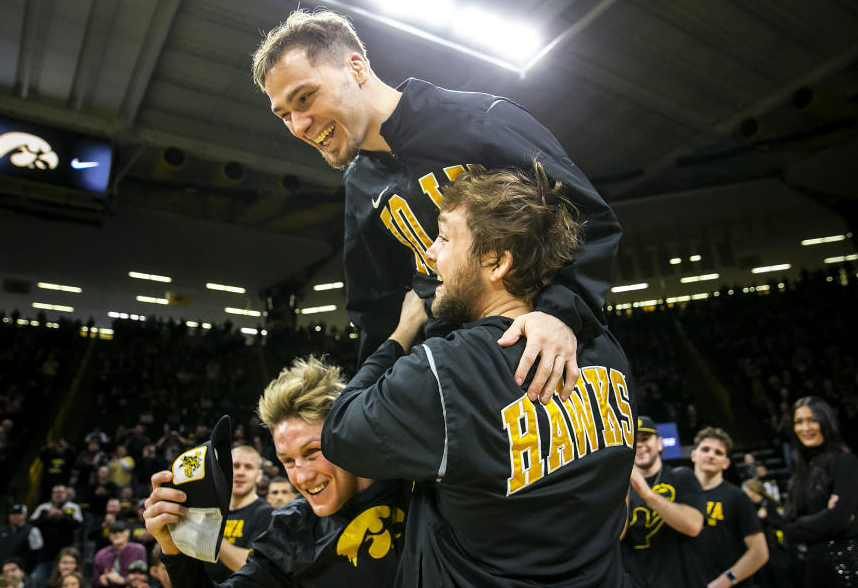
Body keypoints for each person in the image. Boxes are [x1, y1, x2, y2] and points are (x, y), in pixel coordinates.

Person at [252, 8, 622, 405]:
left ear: (356, 68)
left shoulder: (479, 119)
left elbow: (586, 215)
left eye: (305, 97)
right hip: (458, 380)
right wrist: (377, 397)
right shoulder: (359, 184)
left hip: (553, 358)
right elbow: (376, 310)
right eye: (284, 115)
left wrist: (560, 313)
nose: (297, 125)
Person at [321, 164, 635, 586]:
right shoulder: (606, 351)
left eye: (445, 237)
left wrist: (399, 336)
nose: (429, 253)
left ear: (496, 262)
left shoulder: (444, 370)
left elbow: (340, 431)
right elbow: (619, 514)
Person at [143, 357, 407, 587]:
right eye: (288, 461)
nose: (302, 477)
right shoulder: (290, 531)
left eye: (312, 452)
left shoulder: (414, 483)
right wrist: (174, 547)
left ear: (346, 437)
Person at [763, 396, 858, 587]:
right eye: (799, 422)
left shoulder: (845, 462)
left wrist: (803, 523)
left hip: (847, 567)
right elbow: (787, 529)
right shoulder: (800, 472)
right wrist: (827, 517)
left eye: (813, 420)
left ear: (826, 422)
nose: (805, 428)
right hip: (812, 569)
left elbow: (839, 518)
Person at [622, 416, 705, 588]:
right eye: (633, 440)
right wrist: (624, 486)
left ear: (660, 443)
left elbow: (694, 526)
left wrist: (647, 494)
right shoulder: (621, 487)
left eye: (645, 439)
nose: (639, 444)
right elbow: (617, 536)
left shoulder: (682, 476)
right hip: (635, 581)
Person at [690, 427, 768, 587]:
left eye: (718, 452)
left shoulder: (737, 497)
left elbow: (759, 552)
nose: (711, 455)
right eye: (705, 449)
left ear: (726, 463)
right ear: (693, 455)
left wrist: (724, 581)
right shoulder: (680, 496)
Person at [208, 447, 272, 580]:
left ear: (259, 475)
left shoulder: (267, 514)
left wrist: (210, 535)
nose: (240, 472)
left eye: (248, 467)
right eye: (235, 466)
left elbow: (253, 566)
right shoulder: (212, 512)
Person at [30, 486, 83, 582]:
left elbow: (78, 524)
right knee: (39, 580)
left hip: (65, 552)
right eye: (55, 492)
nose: (58, 494)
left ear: (66, 494)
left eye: (61, 492)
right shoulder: (43, 507)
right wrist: (47, 516)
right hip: (45, 552)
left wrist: (62, 516)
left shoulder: (72, 507)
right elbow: (32, 523)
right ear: (51, 494)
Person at [0, 505, 44, 575]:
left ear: (25, 515)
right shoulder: (0, 531)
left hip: (19, 573)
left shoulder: (32, 531)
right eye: (13, 514)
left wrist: (28, 572)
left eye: (18, 514)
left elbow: (37, 554)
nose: (15, 516)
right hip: (0, 571)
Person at [91, 522, 146, 588]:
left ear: (127, 532)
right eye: (113, 532)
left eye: (120, 531)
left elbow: (144, 577)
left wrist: (123, 580)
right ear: (109, 535)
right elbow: (94, 580)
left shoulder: (138, 550)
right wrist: (101, 580)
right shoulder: (101, 554)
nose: (117, 535)